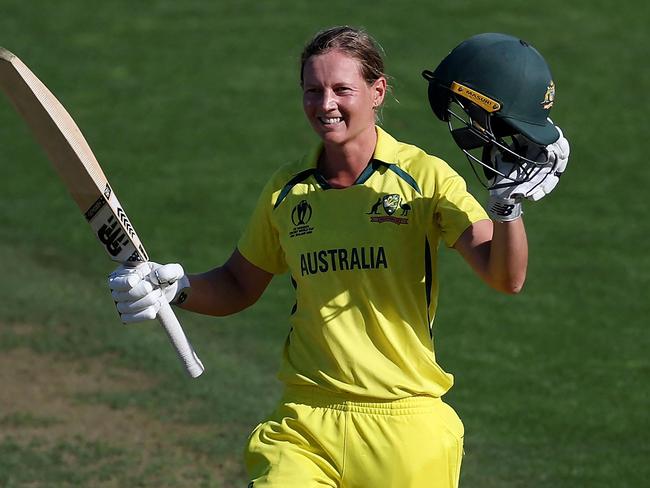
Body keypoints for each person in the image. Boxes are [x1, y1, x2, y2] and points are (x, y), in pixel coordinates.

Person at [108, 27, 569, 488]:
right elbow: (237, 284)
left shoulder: (425, 178)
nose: (325, 104)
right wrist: (177, 288)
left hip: (405, 430)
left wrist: (508, 209)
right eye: (313, 90)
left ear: (377, 91)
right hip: (305, 424)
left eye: (341, 89)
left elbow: (505, 276)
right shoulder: (287, 189)